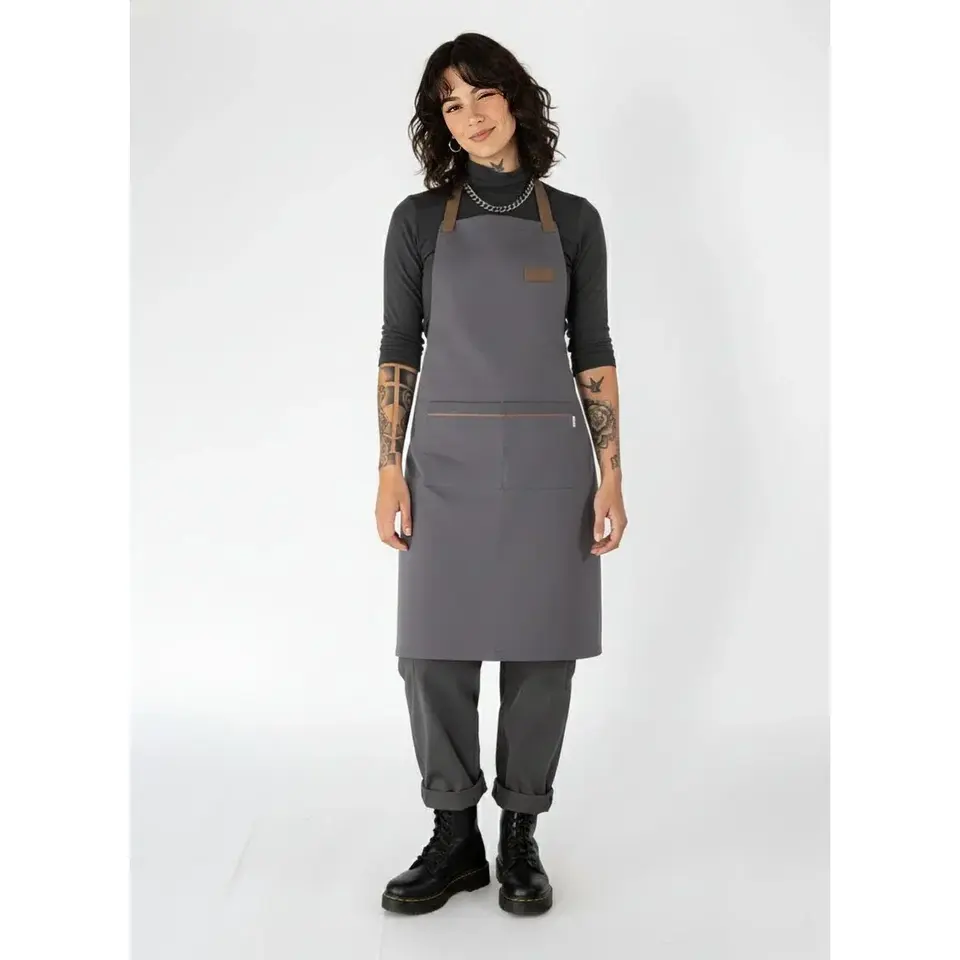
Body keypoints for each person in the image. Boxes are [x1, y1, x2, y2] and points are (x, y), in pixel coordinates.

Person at [375, 33, 627, 917]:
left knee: (542, 656)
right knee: (430, 656)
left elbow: (592, 349)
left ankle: (521, 833)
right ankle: (455, 837)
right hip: (443, 465)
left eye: (481, 94)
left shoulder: (576, 221)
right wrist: (388, 467)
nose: (470, 115)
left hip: (550, 467)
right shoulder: (417, 223)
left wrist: (611, 474)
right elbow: (398, 345)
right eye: (450, 104)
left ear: (515, 99)